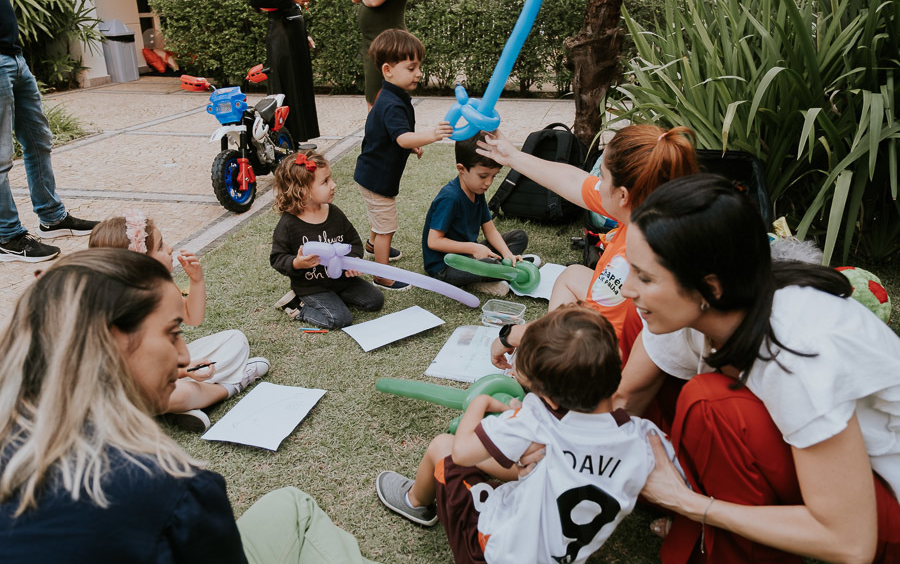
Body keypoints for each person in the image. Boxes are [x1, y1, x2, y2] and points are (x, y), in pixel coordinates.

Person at [0, 249, 375, 563]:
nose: (183, 357)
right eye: (172, 334)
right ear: (109, 340)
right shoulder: (168, 489)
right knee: (295, 507)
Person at [614, 174, 900, 563]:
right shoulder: (715, 303)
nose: (628, 289)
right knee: (641, 325)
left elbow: (850, 542)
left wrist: (687, 503)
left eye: (645, 277)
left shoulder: (799, 350)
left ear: (710, 288)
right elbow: (625, 399)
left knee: (713, 406)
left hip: (875, 505)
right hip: (821, 466)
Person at [375, 305, 679, 564]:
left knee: (442, 446)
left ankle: (414, 500)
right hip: (560, 551)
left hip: (494, 553)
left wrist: (480, 403)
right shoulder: (645, 438)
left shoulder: (536, 418)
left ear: (549, 397)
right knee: (520, 468)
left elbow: (463, 453)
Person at [479, 125, 697, 372]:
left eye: (602, 176)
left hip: (612, 366)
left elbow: (596, 333)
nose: (596, 183)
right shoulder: (654, 207)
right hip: (628, 335)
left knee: (534, 364)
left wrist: (514, 335)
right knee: (573, 274)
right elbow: (574, 181)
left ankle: (551, 357)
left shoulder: (634, 264)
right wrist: (511, 156)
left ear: (623, 195)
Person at [89, 211, 269, 432]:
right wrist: (185, 372)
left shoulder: (165, 286)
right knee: (177, 394)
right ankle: (231, 386)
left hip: (167, 371)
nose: (170, 248)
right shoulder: (120, 316)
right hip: (131, 390)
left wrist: (196, 280)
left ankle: (176, 405)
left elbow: (193, 317)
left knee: (236, 340)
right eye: (161, 246)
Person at [0, 0, 97, 263]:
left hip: (14, 57)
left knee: (39, 140)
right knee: (1, 155)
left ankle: (52, 218)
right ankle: (8, 235)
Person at [354, 28, 452, 290]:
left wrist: (410, 147)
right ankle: (381, 275)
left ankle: (373, 245)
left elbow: (390, 136)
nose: (418, 73)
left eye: (419, 66)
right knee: (387, 225)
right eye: (411, 68)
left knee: (381, 220)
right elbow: (400, 137)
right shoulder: (393, 103)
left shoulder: (391, 96)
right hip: (377, 179)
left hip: (374, 173)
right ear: (388, 70)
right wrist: (429, 136)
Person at [270, 150, 383, 329]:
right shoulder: (288, 224)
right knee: (340, 319)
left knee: (375, 301)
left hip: (342, 281)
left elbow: (353, 242)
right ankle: (297, 307)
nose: (334, 185)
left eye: (330, 179)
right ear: (303, 190)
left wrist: (353, 260)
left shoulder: (334, 213)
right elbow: (277, 258)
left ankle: (336, 300)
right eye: (325, 182)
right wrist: (297, 263)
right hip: (312, 287)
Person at [421, 131, 532, 297]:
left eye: (493, 176)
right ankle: (496, 273)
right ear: (462, 169)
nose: (488, 182)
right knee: (488, 263)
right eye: (483, 176)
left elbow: (490, 230)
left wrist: (507, 254)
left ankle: (502, 266)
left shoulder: (477, 191)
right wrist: (473, 248)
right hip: (445, 266)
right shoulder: (450, 198)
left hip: (471, 254)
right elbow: (434, 241)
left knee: (519, 237)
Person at [248, 0, 320, 142]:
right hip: (282, 31)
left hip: (294, 30)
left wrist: (304, 34)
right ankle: (285, 139)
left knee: (299, 84)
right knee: (286, 84)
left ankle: (299, 136)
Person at [351, 0, 415, 110]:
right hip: (371, 41)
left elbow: (375, 0)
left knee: (382, 101)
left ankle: (389, 132)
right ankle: (376, 132)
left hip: (389, 41)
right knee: (372, 97)